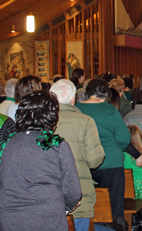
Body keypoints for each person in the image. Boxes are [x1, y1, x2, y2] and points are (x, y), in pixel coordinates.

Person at [0, 91, 82, 231]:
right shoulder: (55, 143)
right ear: (52, 116)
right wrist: (67, 205)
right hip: (47, 217)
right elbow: (73, 190)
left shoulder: (8, 142)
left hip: (11, 217)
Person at [76, 79, 139, 224]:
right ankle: (113, 226)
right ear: (105, 95)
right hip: (110, 161)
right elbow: (124, 138)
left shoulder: (77, 109)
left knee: (89, 200)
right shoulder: (110, 110)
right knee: (114, 203)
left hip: (84, 162)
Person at [50, 79, 106, 231]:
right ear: (73, 99)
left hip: (49, 194)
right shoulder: (85, 121)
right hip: (77, 192)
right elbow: (94, 160)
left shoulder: (43, 121)